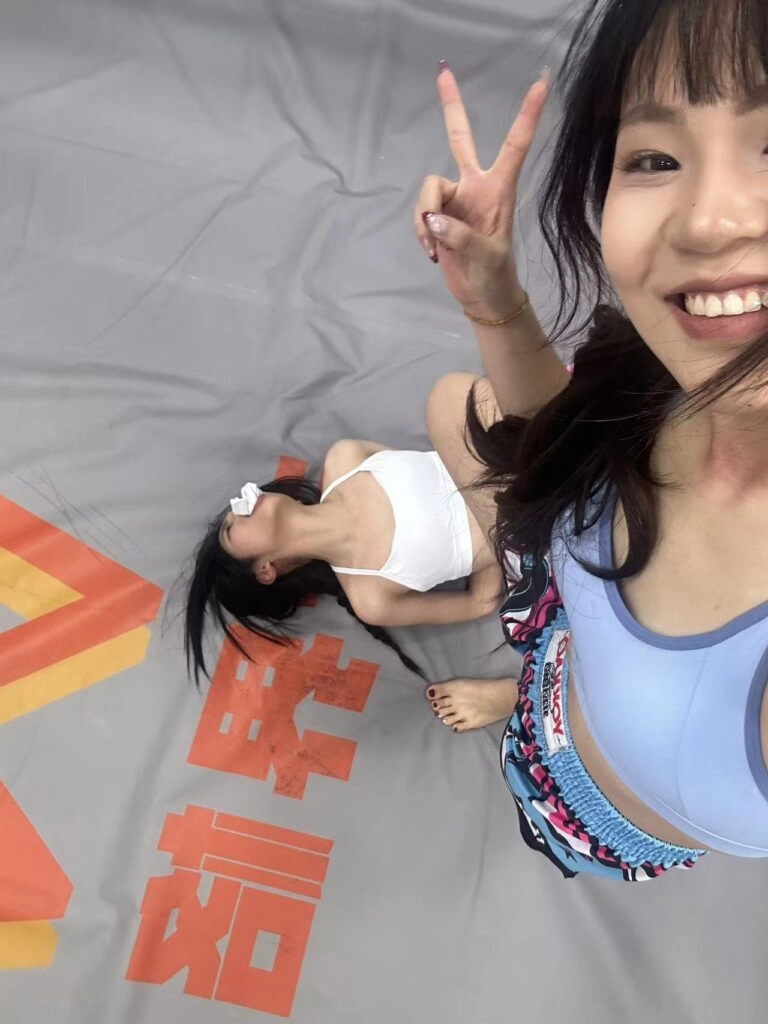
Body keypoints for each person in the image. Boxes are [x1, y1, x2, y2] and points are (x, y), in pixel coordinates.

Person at [412, 0, 768, 879]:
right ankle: (518, 692)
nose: (709, 221)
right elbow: (565, 450)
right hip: (554, 667)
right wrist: (493, 297)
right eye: (654, 158)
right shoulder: (665, 377)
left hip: (598, 820)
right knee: (456, 404)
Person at [183, 439, 504, 688]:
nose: (241, 504)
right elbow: (479, 603)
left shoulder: (346, 457)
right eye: (230, 528)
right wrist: (499, 534)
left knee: (445, 394)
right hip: (523, 526)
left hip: (509, 452)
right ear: (264, 570)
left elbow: (450, 450)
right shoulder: (371, 597)